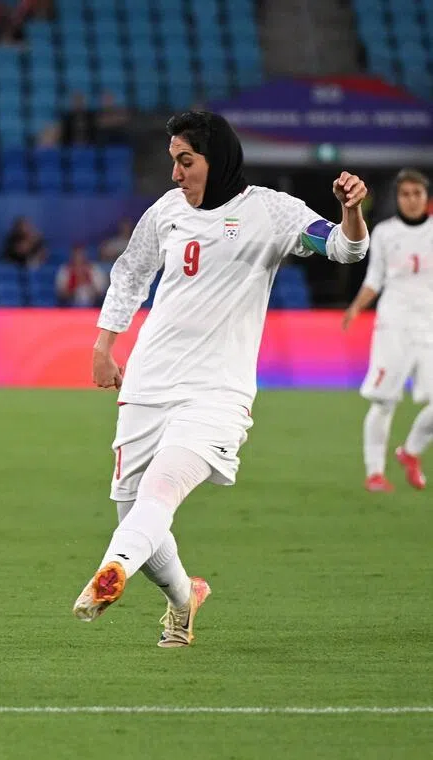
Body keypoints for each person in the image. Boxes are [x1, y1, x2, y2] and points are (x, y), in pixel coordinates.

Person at [73, 111, 368, 647]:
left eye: (186, 161)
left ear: (218, 159)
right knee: (134, 509)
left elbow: (345, 249)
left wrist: (351, 213)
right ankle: (183, 597)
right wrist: (103, 345)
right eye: (173, 161)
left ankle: (111, 569)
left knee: (160, 491)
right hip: (148, 383)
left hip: (216, 392)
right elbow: (131, 274)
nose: (176, 174)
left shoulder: (272, 212)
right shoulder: (166, 211)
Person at [342, 168, 433, 492]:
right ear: (398, 198)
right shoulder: (383, 232)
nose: (411, 200)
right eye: (405, 194)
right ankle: (375, 473)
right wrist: (356, 307)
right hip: (393, 326)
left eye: (417, 193)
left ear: (426, 197)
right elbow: (375, 278)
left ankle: (410, 452)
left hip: (429, 327)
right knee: (383, 401)